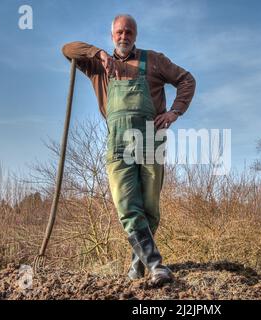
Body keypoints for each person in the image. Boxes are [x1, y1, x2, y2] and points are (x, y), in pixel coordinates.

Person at [62, 14, 196, 285]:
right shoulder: (97, 66)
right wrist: (98, 53)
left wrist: (174, 112)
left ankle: (138, 264)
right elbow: (67, 49)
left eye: (129, 32)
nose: (124, 37)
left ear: (135, 35)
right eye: (120, 32)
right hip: (118, 143)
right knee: (126, 205)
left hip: (150, 139)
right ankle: (157, 266)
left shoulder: (153, 59)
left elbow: (187, 80)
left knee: (150, 208)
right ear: (112, 35)